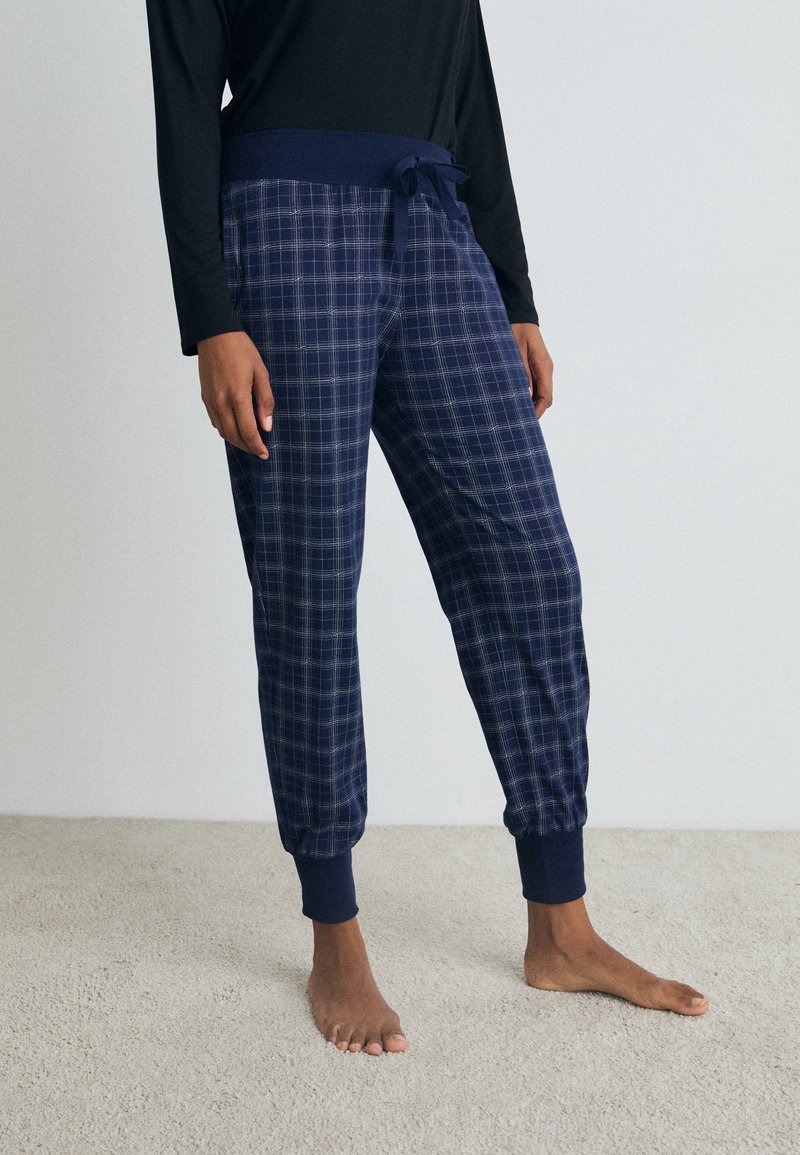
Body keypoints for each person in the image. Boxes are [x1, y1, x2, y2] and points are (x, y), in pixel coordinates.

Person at [144, 0, 709, 1056]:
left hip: (436, 217)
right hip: (283, 220)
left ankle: (561, 925)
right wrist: (209, 315)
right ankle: (335, 932)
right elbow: (181, 92)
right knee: (311, 581)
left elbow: (468, 80)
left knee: (529, 566)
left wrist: (512, 291)